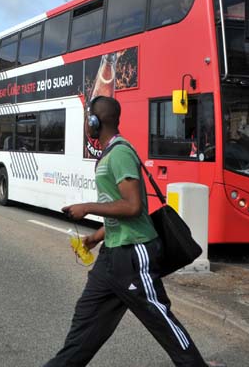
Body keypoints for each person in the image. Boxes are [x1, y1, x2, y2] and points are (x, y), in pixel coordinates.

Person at [44, 96, 209, 367]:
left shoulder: (120, 153)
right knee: (86, 322)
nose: (87, 124)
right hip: (112, 255)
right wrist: (95, 238)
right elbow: (115, 208)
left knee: (159, 318)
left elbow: (132, 207)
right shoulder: (109, 152)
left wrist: (86, 207)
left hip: (133, 252)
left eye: (89, 119)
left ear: (96, 122)